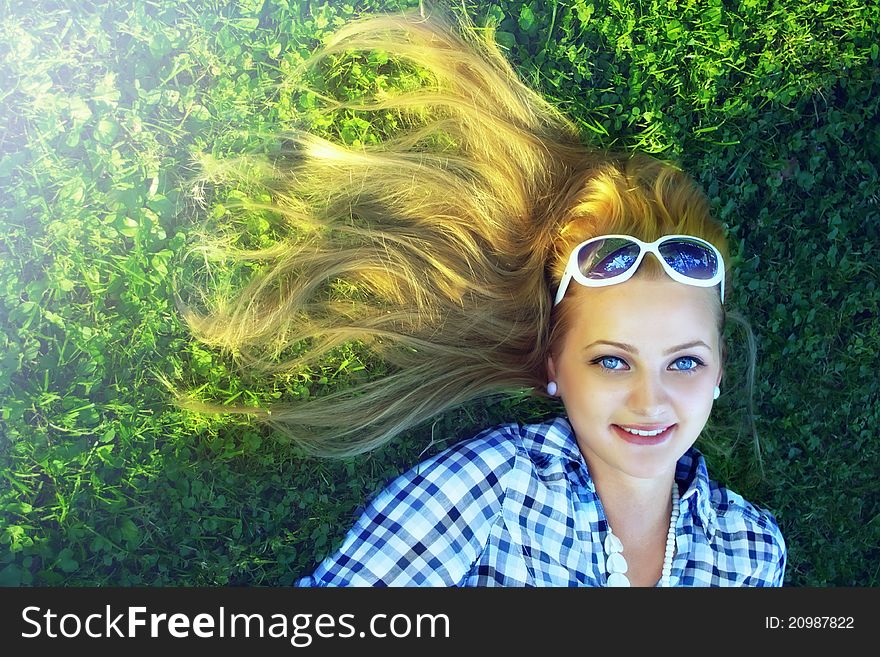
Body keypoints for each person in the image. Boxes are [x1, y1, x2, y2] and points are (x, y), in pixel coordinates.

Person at [172, 2, 786, 586]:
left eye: (684, 361)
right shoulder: (495, 488)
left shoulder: (753, 551)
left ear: (718, 372)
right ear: (554, 369)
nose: (651, 400)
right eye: (611, 361)